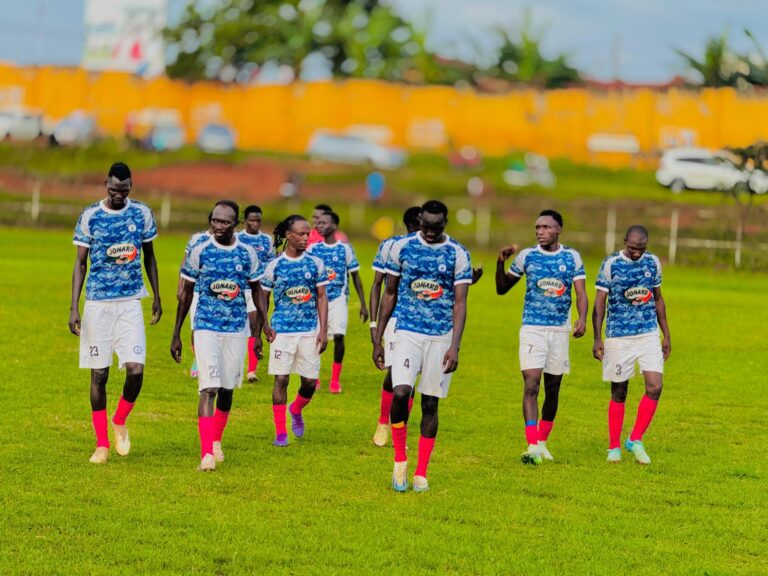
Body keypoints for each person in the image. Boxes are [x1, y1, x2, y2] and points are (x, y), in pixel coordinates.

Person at [372, 200, 472, 493]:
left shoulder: (458, 253)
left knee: (430, 403)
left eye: (435, 227)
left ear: (445, 224)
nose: (429, 232)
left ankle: (421, 473)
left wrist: (455, 346)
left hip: (441, 337)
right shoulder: (401, 248)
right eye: (426, 226)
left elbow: (460, 303)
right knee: (401, 393)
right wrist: (378, 337)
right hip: (407, 332)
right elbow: (389, 293)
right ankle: (400, 460)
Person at [69, 162, 161, 464]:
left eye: (123, 190)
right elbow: (80, 263)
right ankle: (102, 444)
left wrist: (157, 296)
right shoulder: (90, 216)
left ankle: (120, 419)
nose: (118, 194)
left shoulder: (142, 214)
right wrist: (74, 306)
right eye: (113, 189)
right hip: (97, 304)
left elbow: (150, 257)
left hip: (130, 302)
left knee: (136, 370)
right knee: (99, 374)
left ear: (130, 186)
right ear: (105, 185)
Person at [171, 200, 269, 471]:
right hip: (206, 327)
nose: (219, 226)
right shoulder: (200, 251)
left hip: (236, 329)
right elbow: (186, 294)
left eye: (225, 222)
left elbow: (258, 290)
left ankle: (216, 440)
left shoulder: (247, 254)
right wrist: (177, 333)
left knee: (226, 389)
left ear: (236, 224)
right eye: (215, 220)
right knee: (209, 388)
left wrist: (264, 325)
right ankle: (207, 454)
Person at [496, 210, 588, 465]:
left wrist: (581, 318)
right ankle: (532, 444)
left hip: (559, 331)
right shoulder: (527, 256)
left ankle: (543, 442)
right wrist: (500, 263)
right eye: (537, 227)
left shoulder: (571, 257)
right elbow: (502, 288)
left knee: (553, 389)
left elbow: (581, 293)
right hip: (532, 330)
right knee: (531, 384)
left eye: (546, 227)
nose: (540, 231)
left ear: (559, 229)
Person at [593, 225, 671, 465]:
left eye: (641, 249)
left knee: (655, 386)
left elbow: (658, 298)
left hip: (648, 334)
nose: (637, 253)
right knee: (619, 391)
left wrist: (666, 334)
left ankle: (635, 439)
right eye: (632, 248)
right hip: (618, 336)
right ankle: (614, 446)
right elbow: (599, 303)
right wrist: (597, 337)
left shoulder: (653, 262)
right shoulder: (610, 264)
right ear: (625, 241)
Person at [261, 215, 328, 447]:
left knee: (309, 382)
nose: (306, 238)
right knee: (281, 379)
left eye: (307, 233)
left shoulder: (315, 263)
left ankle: (296, 409)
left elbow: (322, 297)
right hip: (281, 331)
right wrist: (265, 325)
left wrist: (323, 330)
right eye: (301, 234)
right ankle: (281, 433)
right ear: (288, 235)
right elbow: (263, 297)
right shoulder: (274, 266)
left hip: (309, 331)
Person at [369, 206, 422, 446]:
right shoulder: (391, 246)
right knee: (394, 374)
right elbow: (377, 286)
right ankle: (383, 422)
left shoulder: (433, 250)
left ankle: (401, 429)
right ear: (415, 224)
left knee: (411, 378)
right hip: (394, 319)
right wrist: (374, 325)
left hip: (421, 322)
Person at [307, 211, 368, 393]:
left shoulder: (345, 249)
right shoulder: (313, 249)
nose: (319, 226)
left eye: (323, 223)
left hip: (338, 299)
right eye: (318, 223)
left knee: (339, 337)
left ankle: (335, 380)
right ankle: (315, 376)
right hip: (318, 300)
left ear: (334, 226)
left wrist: (363, 304)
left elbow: (355, 276)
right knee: (316, 337)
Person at [237, 205, 276, 382]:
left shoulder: (267, 240)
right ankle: (234, 366)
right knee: (237, 327)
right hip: (238, 289)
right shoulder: (237, 238)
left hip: (257, 289)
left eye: (258, 220)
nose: (255, 223)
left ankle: (251, 371)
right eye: (252, 220)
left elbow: (271, 264)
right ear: (245, 220)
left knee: (255, 326)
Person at [178, 216, 213, 379]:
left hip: (216, 294)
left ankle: (209, 360)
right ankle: (198, 358)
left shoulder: (230, 241)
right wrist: (180, 286)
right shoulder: (197, 239)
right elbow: (184, 263)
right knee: (195, 328)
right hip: (196, 291)